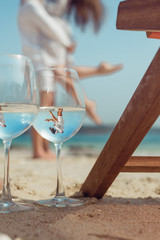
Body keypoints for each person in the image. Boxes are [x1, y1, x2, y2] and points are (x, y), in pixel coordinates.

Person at [18, 0, 122, 159]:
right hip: (38, 58)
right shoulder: (31, 6)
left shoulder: (37, 7)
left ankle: (44, 148)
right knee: (45, 102)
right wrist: (67, 41)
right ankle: (39, 150)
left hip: (43, 55)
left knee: (51, 98)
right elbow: (48, 26)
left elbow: (51, 19)